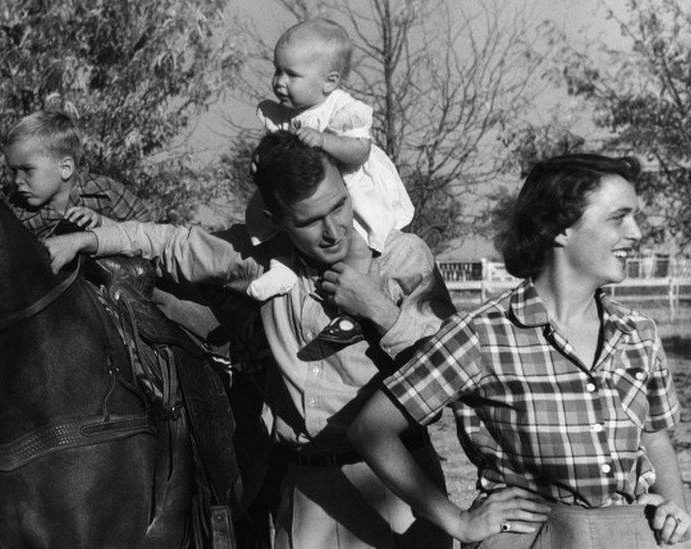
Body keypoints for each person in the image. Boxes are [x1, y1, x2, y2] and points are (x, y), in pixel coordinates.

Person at [46, 131, 455, 548]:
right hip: (308, 492)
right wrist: (86, 239)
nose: (334, 231)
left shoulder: (403, 256)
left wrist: (379, 310)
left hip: (400, 486)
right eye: (310, 221)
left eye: (340, 205)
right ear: (278, 220)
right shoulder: (262, 261)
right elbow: (171, 242)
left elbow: (453, 374)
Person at [348, 154, 691, 548]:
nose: (637, 232)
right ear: (559, 227)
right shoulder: (481, 333)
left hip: (630, 535)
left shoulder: (639, 333)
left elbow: (655, 437)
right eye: (619, 217)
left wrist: (676, 508)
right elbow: (372, 428)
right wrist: (456, 520)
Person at [244, 18, 415, 347]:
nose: (279, 83)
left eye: (291, 75)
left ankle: (350, 313)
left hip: (350, 188)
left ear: (329, 81)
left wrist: (324, 141)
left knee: (358, 243)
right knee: (282, 223)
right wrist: (262, 159)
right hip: (312, 192)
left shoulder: (343, 109)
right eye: (277, 71)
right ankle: (284, 270)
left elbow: (360, 150)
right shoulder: (283, 114)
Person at [3, 109, 151, 237]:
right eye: (14, 171)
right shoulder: (16, 211)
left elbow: (149, 235)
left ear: (65, 168)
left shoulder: (105, 192)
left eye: (27, 170)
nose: (17, 180)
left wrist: (103, 224)